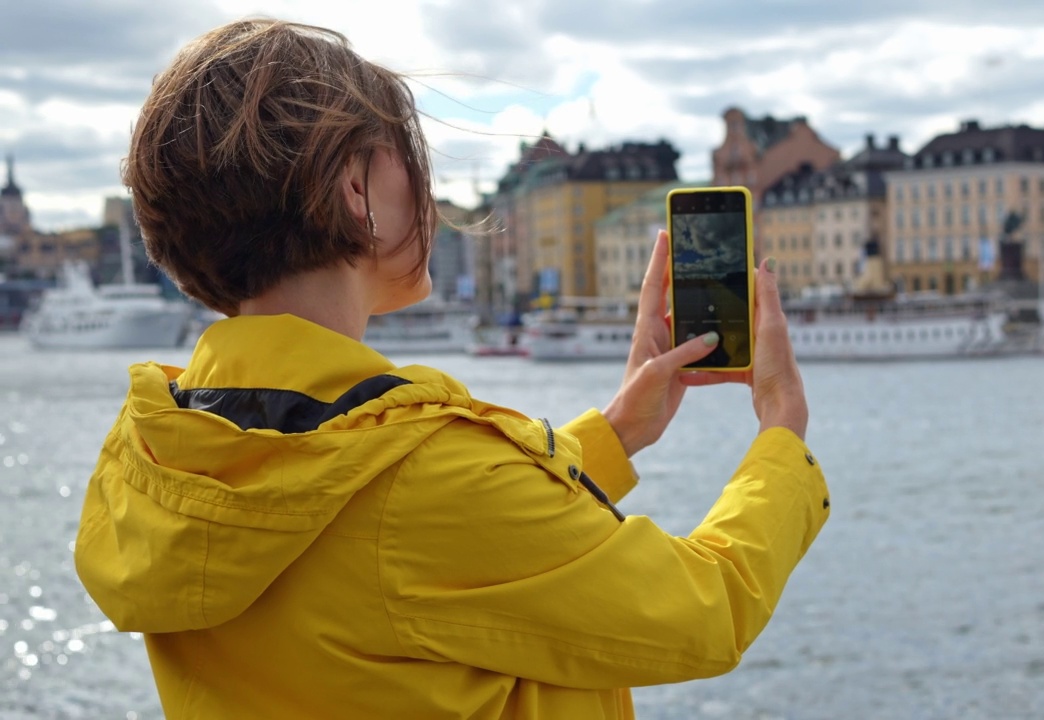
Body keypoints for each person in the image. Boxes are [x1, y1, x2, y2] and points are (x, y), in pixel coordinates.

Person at [75, 18, 828, 720]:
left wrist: (616, 431)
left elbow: (399, 535)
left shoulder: (162, 453)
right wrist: (781, 438)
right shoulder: (423, 476)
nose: (429, 188)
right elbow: (704, 608)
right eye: (409, 154)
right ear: (354, 188)